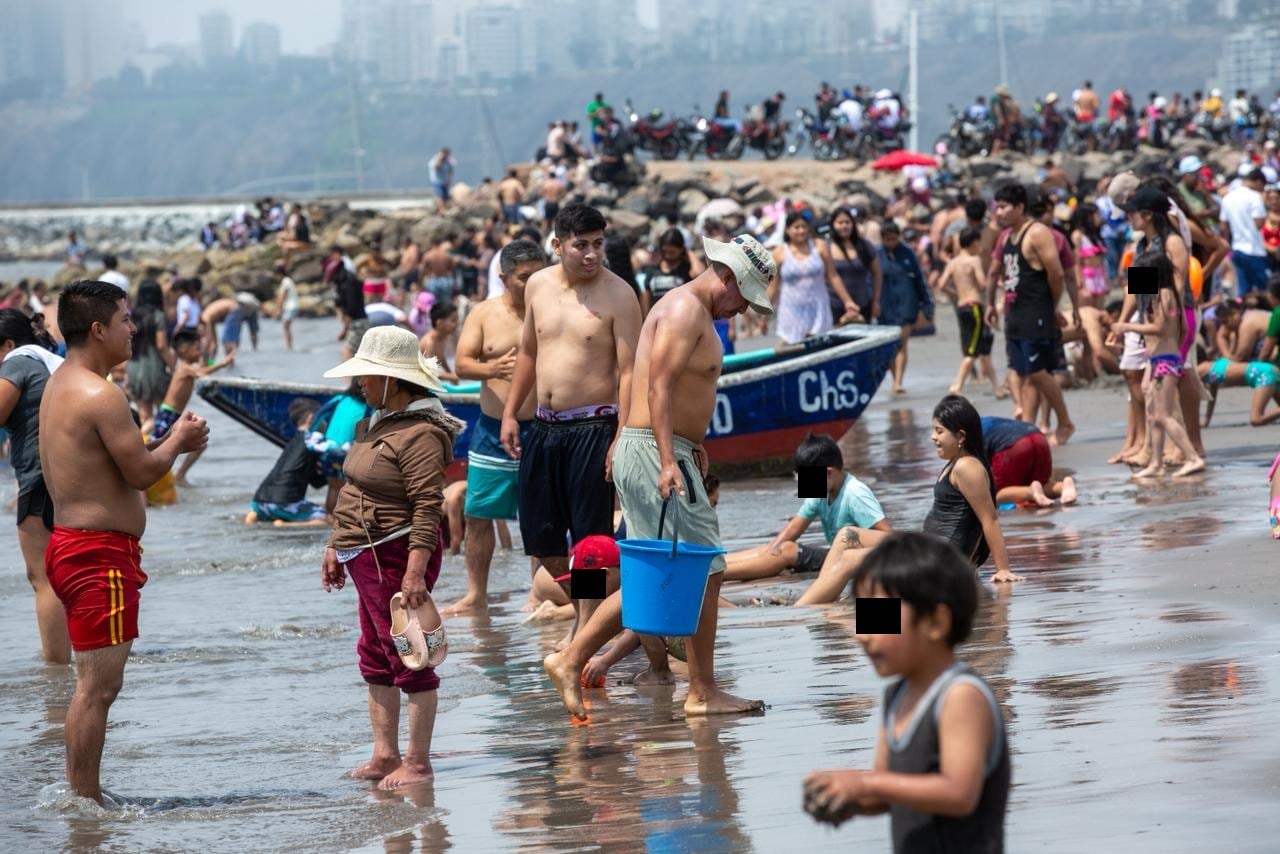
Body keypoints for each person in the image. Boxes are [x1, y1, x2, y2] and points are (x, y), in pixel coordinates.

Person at [542, 232, 777, 721]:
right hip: (655, 451)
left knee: (675, 573)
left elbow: (662, 384)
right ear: (727, 277)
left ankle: (583, 659)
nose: (742, 310)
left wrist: (690, 444)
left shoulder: (690, 310)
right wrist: (669, 458)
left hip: (661, 447)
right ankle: (697, 689)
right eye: (744, 297)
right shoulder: (686, 309)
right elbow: (659, 386)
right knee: (703, 569)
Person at [39, 280, 209, 803]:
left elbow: (114, 460)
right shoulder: (102, 393)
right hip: (96, 554)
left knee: (92, 686)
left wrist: (162, 441)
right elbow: (140, 474)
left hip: (74, 546)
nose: (133, 328)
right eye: (125, 319)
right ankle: (85, 804)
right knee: (98, 688)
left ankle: (84, 796)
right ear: (98, 329)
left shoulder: (63, 383)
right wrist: (179, 441)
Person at [320, 326, 463, 789]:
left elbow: (427, 507)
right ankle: (385, 754)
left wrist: (415, 574)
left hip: (397, 553)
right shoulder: (377, 423)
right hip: (365, 553)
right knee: (375, 652)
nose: (359, 383)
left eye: (367, 375)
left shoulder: (420, 433)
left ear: (393, 381)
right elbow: (352, 491)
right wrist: (335, 545)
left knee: (410, 654)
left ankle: (417, 764)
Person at [803, 533, 1010, 851]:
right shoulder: (896, 696)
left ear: (935, 622)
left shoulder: (960, 696)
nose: (862, 635)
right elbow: (889, 792)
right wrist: (848, 798)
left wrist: (866, 783)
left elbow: (959, 794)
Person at [499, 204, 643, 641]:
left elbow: (631, 372)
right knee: (541, 540)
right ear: (557, 245)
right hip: (543, 428)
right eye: (581, 245)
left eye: (598, 244)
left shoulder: (619, 295)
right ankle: (588, 617)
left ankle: (585, 631)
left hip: (594, 428)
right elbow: (529, 351)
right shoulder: (538, 286)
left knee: (590, 544)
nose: (592, 254)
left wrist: (621, 436)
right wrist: (510, 412)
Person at [446, 240, 546, 614]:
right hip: (492, 430)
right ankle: (476, 594)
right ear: (503, 278)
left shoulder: (554, 309)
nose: (533, 283)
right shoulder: (484, 313)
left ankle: (541, 594)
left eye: (539, 274)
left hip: (545, 427)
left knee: (546, 517)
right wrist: (492, 369)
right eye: (524, 277)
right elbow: (462, 363)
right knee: (478, 514)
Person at [723, 433, 891, 583]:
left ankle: (719, 574)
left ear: (828, 473)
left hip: (852, 560)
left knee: (787, 550)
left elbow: (888, 537)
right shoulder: (821, 492)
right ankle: (717, 564)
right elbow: (793, 528)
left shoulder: (855, 494)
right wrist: (770, 551)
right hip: (834, 555)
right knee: (773, 547)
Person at [0, 309, 69, 664]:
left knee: (42, 575)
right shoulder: (49, 363)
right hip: (67, 474)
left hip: (40, 477)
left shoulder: (16, 363)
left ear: (8, 344)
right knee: (64, 572)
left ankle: (56, 670)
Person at [986, 183, 1075, 445]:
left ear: (1020, 207)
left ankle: (1065, 422)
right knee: (1023, 371)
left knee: (1037, 371)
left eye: (1004, 207)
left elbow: (1060, 274)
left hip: (1036, 311)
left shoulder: (1038, 233)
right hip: (1015, 311)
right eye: (997, 207)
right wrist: (990, 303)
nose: (998, 212)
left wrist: (1053, 305)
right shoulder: (1006, 236)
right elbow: (994, 272)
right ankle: (1027, 427)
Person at [1112, 251, 1205, 479]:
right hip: (1157, 360)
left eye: (1142, 273)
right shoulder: (1158, 295)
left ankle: (1192, 457)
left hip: (1165, 361)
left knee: (1163, 415)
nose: (1138, 277)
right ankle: (1155, 463)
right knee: (1153, 415)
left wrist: (1126, 327)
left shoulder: (1164, 294)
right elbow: (1182, 329)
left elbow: (1160, 328)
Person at [152, 330, 233, 484]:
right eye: (197, 349)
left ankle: (179, 475)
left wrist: (212, 360)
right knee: (158, 445)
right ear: (184, 350)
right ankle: (157, 478)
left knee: (199, 444)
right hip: (168, 414)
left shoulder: (189, 367)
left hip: (176, 415)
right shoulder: (184, 368)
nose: (200, 352)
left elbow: (204, 367)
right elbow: (202, 372)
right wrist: (223, 363)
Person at [769, 213, 860, 347]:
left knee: (822, 345)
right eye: (796, 227)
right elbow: (773, 286)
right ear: (787, 230)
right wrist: (763, 315)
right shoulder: (779, 252)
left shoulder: (820, 246)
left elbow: (833, 276)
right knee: (792, 346)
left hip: (818, 306)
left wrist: (848, 301)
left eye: (804, 227)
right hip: (791, 309)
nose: (801, 231)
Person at [244, 398, 329, 525]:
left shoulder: (293, 442)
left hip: (260, 501)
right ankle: (286, 525)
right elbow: (318, 480)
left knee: (279, 510)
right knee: (330, 519)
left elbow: (315, 481)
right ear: (311, 418)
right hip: (284, 502)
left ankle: (255, 515)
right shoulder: (312, 441)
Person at [939, 227, 1002, 398]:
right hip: (974, 306)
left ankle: (997, 387)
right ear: (974, 243)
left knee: (983, 349)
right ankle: (957, 385)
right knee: (971, 351)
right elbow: (982, 283)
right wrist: (997, 284)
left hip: (962, 307)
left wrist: (957, 294)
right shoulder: (974, 260)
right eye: (978, 243)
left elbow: (942, 285)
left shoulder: (953, 262)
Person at [877, 221, 934, 395]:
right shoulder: (877, 255)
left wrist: (926, 303)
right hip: (884, 305)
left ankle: (898, 382)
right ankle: (894, 377)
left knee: (901, 344)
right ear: (882, 239)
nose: (891, 242)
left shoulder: (908, 253)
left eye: (894, 239)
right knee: (889, 347)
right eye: (888, 239)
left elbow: (920, 280)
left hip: (907, 304)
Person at [981, 415, 1077, 507]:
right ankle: (1063, 486)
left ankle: (1030, 492)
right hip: (1037, 436)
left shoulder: (973, 432)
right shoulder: (984, 421)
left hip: (1014, 445)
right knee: (1042, 484)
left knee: (995, 495)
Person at [126, 280, 172, 434]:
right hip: (153, 368)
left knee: (145, 416)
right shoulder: (158, 316)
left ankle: (143, 444)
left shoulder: (132, 316)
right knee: (163, 415)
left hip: (134, 367)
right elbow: (162, 346)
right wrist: (174, 367)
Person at [1220, 168, 1269, 295]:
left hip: (1237, 249)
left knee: (1244, 291)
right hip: (1254, 249)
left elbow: (1223, 226)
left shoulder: (1227, 198)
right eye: (1262, 187)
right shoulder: (1254, 196)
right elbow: (1259, 223)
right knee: (1265, 290)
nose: (1262, 190)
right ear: (1258, 182)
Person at [827, 208, 881, 321]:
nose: (844, 226)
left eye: (847, 222)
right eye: (840, 223)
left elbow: (876, 273)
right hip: (835, 306)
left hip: (863, 304)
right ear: (833, 225)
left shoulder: (865, 246)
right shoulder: (826, 248)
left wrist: (876, 300)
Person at [637, 228, 704, 316]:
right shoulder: (652, 270)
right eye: (664, 251)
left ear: (681, 249)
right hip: (657, 319)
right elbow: (646, 297)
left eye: (672, 252)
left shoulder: (686, 269)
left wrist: (688, 252)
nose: (667, 255)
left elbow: (699, 274)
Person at [1198, 356, 1280, 427]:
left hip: (1263, 374)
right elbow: (1212, 397)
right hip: (1268, 369)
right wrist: (1206, 421)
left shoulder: (1200, 369)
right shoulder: (1213, 367)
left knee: (1256, 419)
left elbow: (1193, 397)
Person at [1069, 203, 1108, 309]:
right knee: (1087, 310)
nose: (1099, 217)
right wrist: (1079, 282)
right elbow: (1076, 261)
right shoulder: (1077, 235)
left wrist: (1106, 279)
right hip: (1086, 278)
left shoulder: (1096, 235)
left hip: (1099, 275)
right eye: (1097, 214)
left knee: (1099, 310)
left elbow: (1102, 260)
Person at [417, 302, 459, 383]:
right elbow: (429, 371)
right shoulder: (429, 342)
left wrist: (451, 375)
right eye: (453, 320)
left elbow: (441, 359)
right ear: (440, 323)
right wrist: (453, 377)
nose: (457, 324)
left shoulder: (442, 338)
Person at [273, 263, 299, 351]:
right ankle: (289, 346)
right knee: (286, 327)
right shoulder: (287, 280)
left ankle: (288, 347)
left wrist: (278, 310)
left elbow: (282, 295)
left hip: (291, 306)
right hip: (291, 306)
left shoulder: (286, 281)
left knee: (286, 326)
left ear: (279, 274)